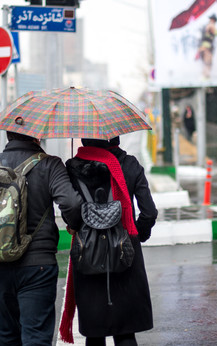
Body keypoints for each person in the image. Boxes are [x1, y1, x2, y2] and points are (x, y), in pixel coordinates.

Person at [0, 131, 84, 346]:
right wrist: (73, 224)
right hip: (38, 265)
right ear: (37, 135)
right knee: (36, 336)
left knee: (7, 334)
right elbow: (71, 204)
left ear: (8, 134)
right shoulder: (50, 165)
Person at [60, 137, 158, 346]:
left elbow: (69, 207)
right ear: (116, 136)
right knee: (125, 333)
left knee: (94, 334)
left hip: (87, 252)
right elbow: (149, 212)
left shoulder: (73, 167)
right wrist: (135, 236)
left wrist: (76, 225)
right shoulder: (130, 165)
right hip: (126, 252)